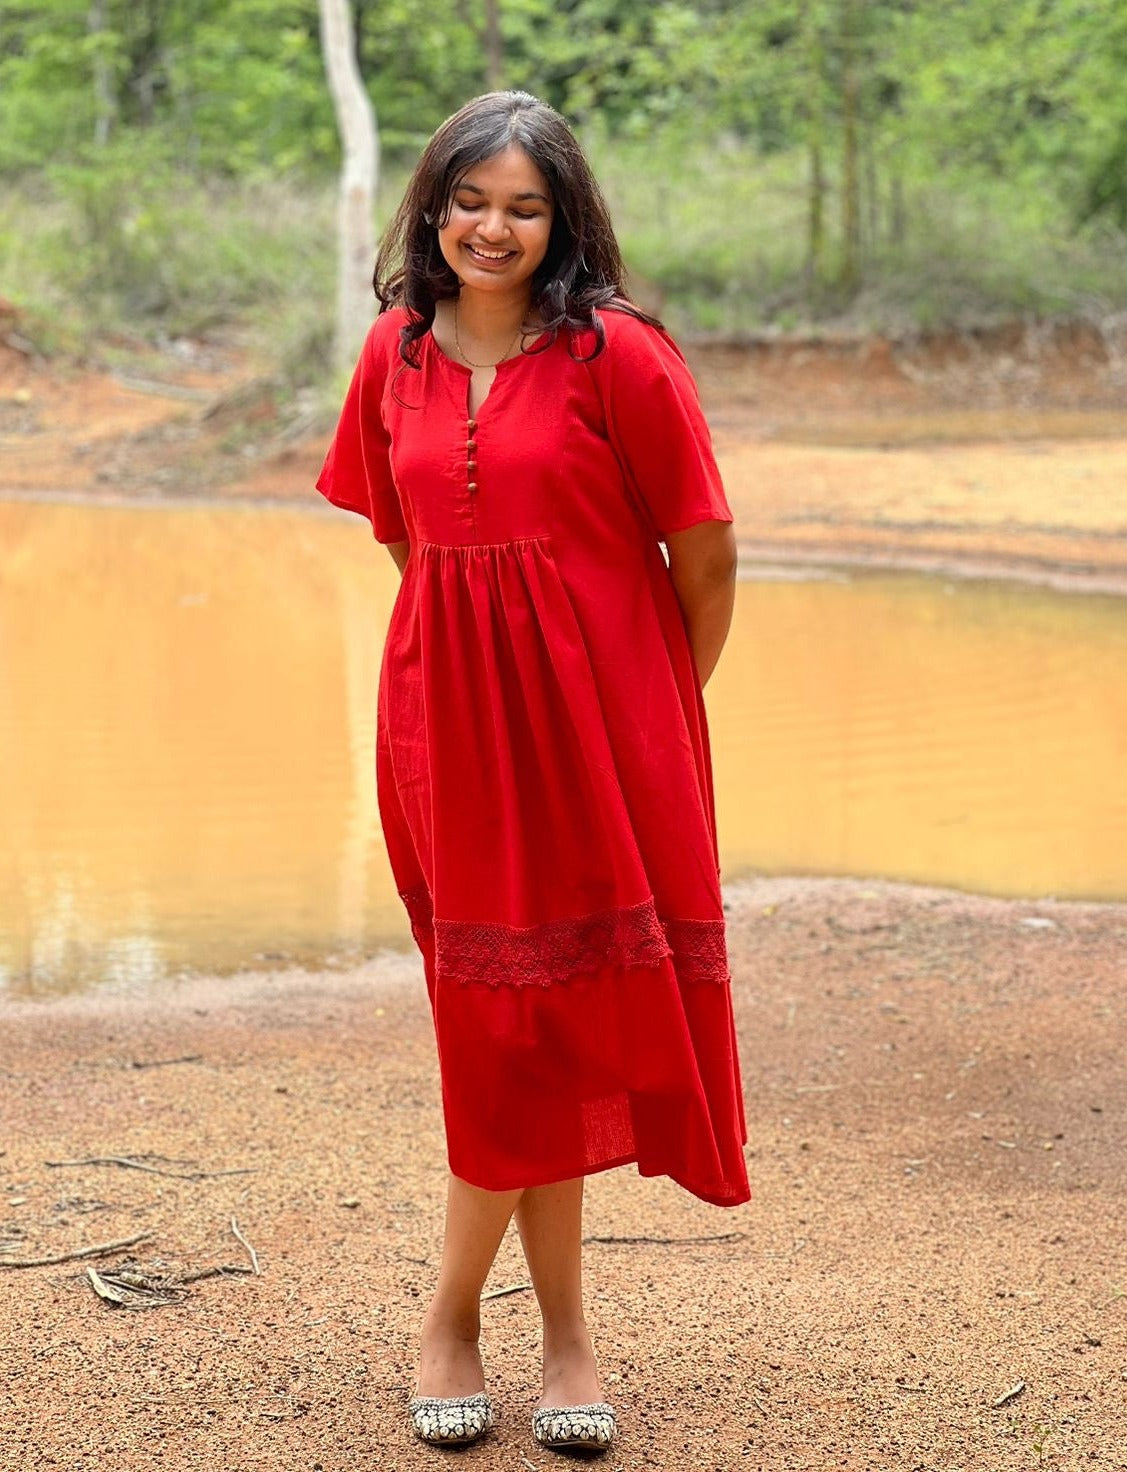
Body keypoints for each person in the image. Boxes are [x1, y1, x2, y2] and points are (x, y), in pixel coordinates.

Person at [315, 89, 750, 1456]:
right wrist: (473, 675)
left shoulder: (619, 354)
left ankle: (516, 1329)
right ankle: (487, 1322)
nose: (489, 228)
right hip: (445, 740)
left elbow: (707, 555)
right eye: (467, 199)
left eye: (522, 206)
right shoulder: (391, 354)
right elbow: (408, 545)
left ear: (561, 222)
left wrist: (645, 709)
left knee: (558, 1028)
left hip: (609, 744)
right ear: (431, 207)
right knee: (498, 1029)